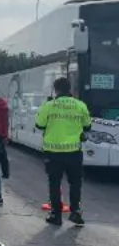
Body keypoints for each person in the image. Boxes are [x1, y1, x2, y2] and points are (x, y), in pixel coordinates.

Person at [35, 77, 89, 226]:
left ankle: (56, 215)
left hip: (53, 152)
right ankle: (75, 212)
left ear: (55, 89)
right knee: (75, 183)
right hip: (73, 152)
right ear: (69, 89)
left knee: (54, 183)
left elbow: (39, 125)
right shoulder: (80, 105)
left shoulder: (49, 105)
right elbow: (87, 126)